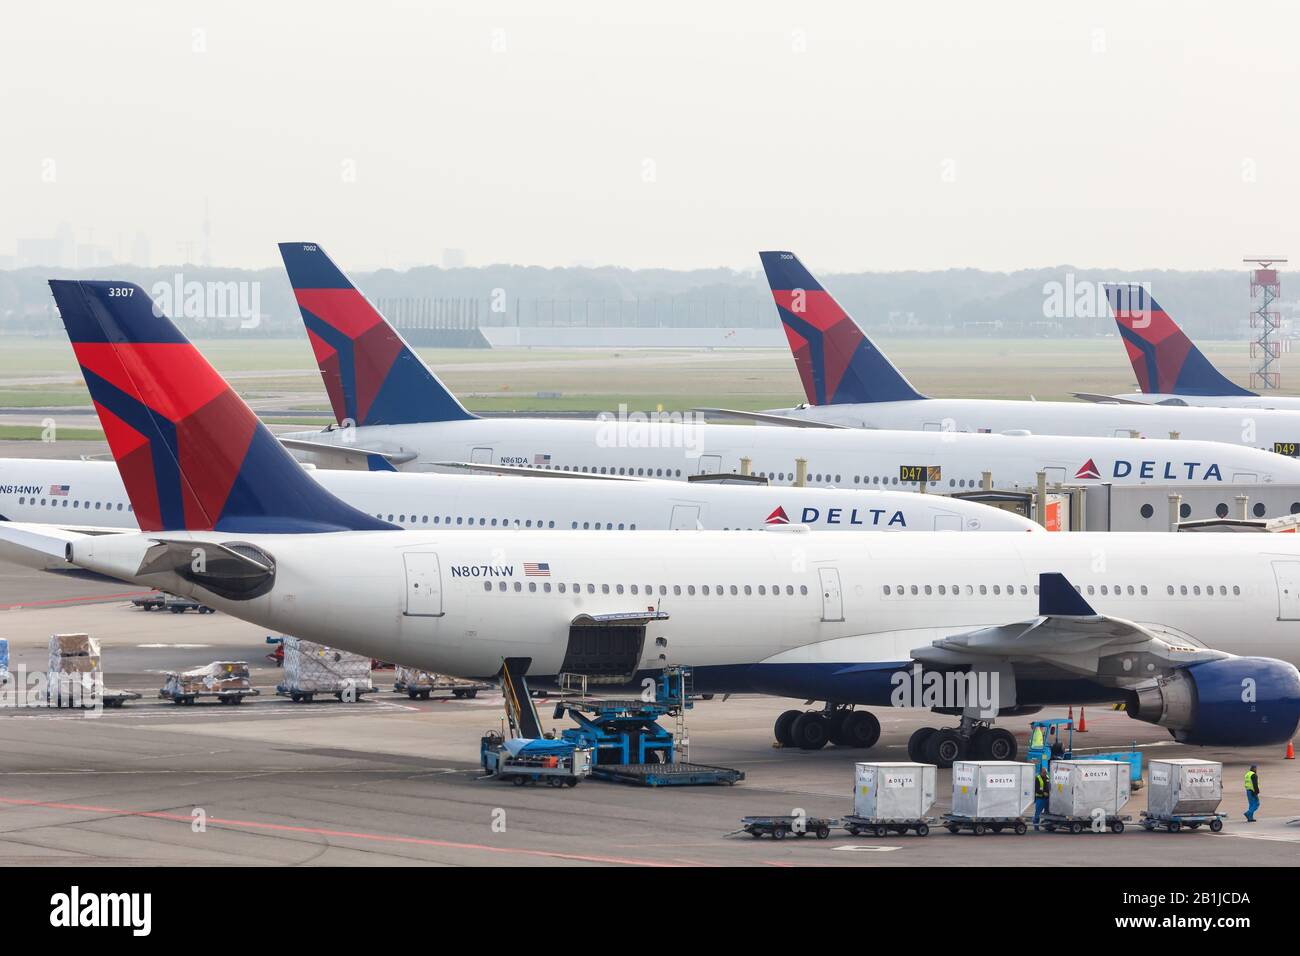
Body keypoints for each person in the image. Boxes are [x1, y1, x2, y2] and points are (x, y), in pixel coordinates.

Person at [1033, 764, 1050, 831]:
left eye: (1046, 772)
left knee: (1047, 812)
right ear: (1040, 772)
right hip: (1040, 798)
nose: (1045, 774)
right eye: (1043, 772)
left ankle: (1047, 825)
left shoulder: (1048, 777)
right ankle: (1036, 826)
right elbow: (1036, 789)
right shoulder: (1037, 778)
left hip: (1047, 798)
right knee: (1038, 813)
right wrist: (1043, 793)